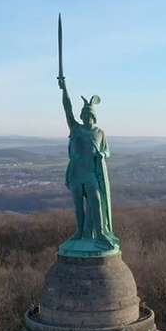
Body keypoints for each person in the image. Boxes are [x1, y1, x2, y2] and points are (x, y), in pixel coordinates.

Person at [58, 77, 118, 250]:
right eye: (84, 115)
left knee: (96, 201)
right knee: (78, 206)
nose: (86, 118)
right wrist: (64, 89)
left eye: (89, 115)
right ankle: (79, 232)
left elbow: (107, 151)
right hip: (76, 174)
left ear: (93, 116)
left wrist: (102, 154)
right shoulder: (75, 128)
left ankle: (100, 233)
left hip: (91, 174)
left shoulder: (100, 133)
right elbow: (67, 109)